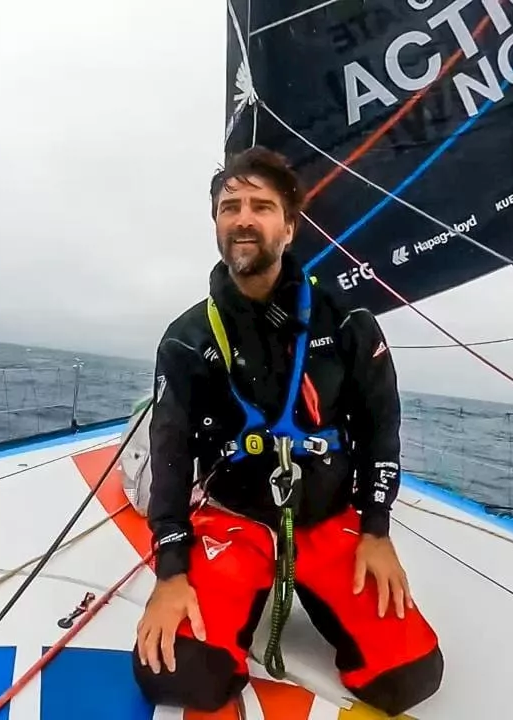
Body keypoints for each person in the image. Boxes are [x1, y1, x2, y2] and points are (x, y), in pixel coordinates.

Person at [131, 146, 444, 715]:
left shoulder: (347, 323)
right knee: (176, 675)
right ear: (217, 225)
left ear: (289, 225)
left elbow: (381, 429)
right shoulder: (186, 338)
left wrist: (376, 530)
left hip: (327, 526)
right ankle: (243, 592)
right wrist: (171, 573)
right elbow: (170, 458)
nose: (244, 217)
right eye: (230, 207)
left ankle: (309, 585)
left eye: (261, 205)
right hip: (236, 523)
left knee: (410, 678)